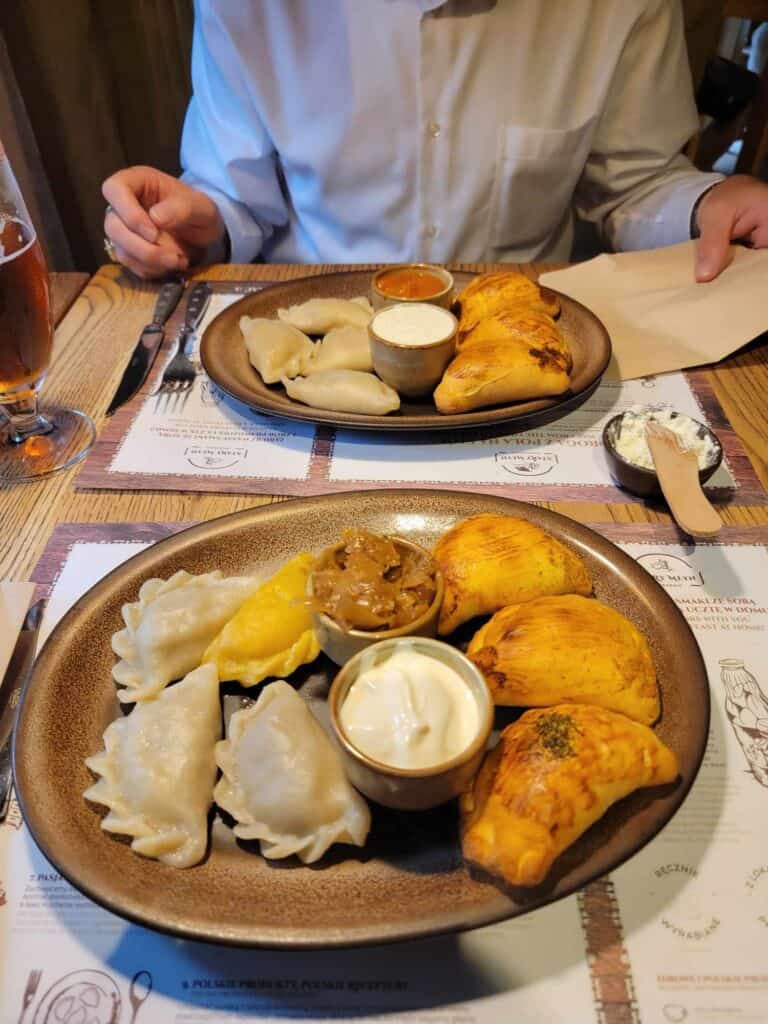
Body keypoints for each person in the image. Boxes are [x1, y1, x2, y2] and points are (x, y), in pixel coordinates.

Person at [102, 1, 768, 283]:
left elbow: (635, 184)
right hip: (307, 329)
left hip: (522, 343)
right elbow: (235, 203)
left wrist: (708, 203)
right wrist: (193, 225)